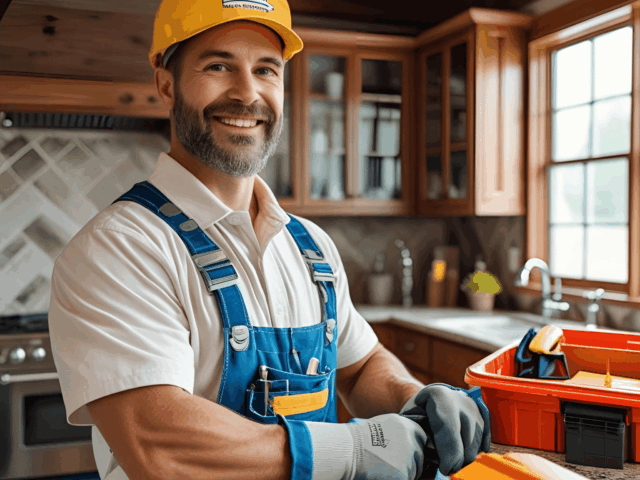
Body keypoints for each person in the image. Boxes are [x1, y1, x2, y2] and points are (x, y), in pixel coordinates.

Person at [48, 0, 491, 479]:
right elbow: (158, 444)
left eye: (266, 69)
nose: (247, 93)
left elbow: (360, 367)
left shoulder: (310, 246)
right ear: (166, 85)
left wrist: (414, 398)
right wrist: (354, 450)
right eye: (218, 65)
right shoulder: (121, 248)